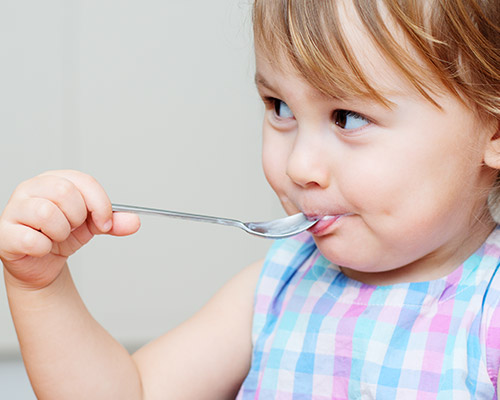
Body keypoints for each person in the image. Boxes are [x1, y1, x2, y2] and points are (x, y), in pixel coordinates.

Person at [1, 0, 500, 398]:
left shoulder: (487, 311)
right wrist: (42, 289)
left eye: (347, 116)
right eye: (279, 107)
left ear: (492, 130)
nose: (299, 165)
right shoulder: (277, 287)